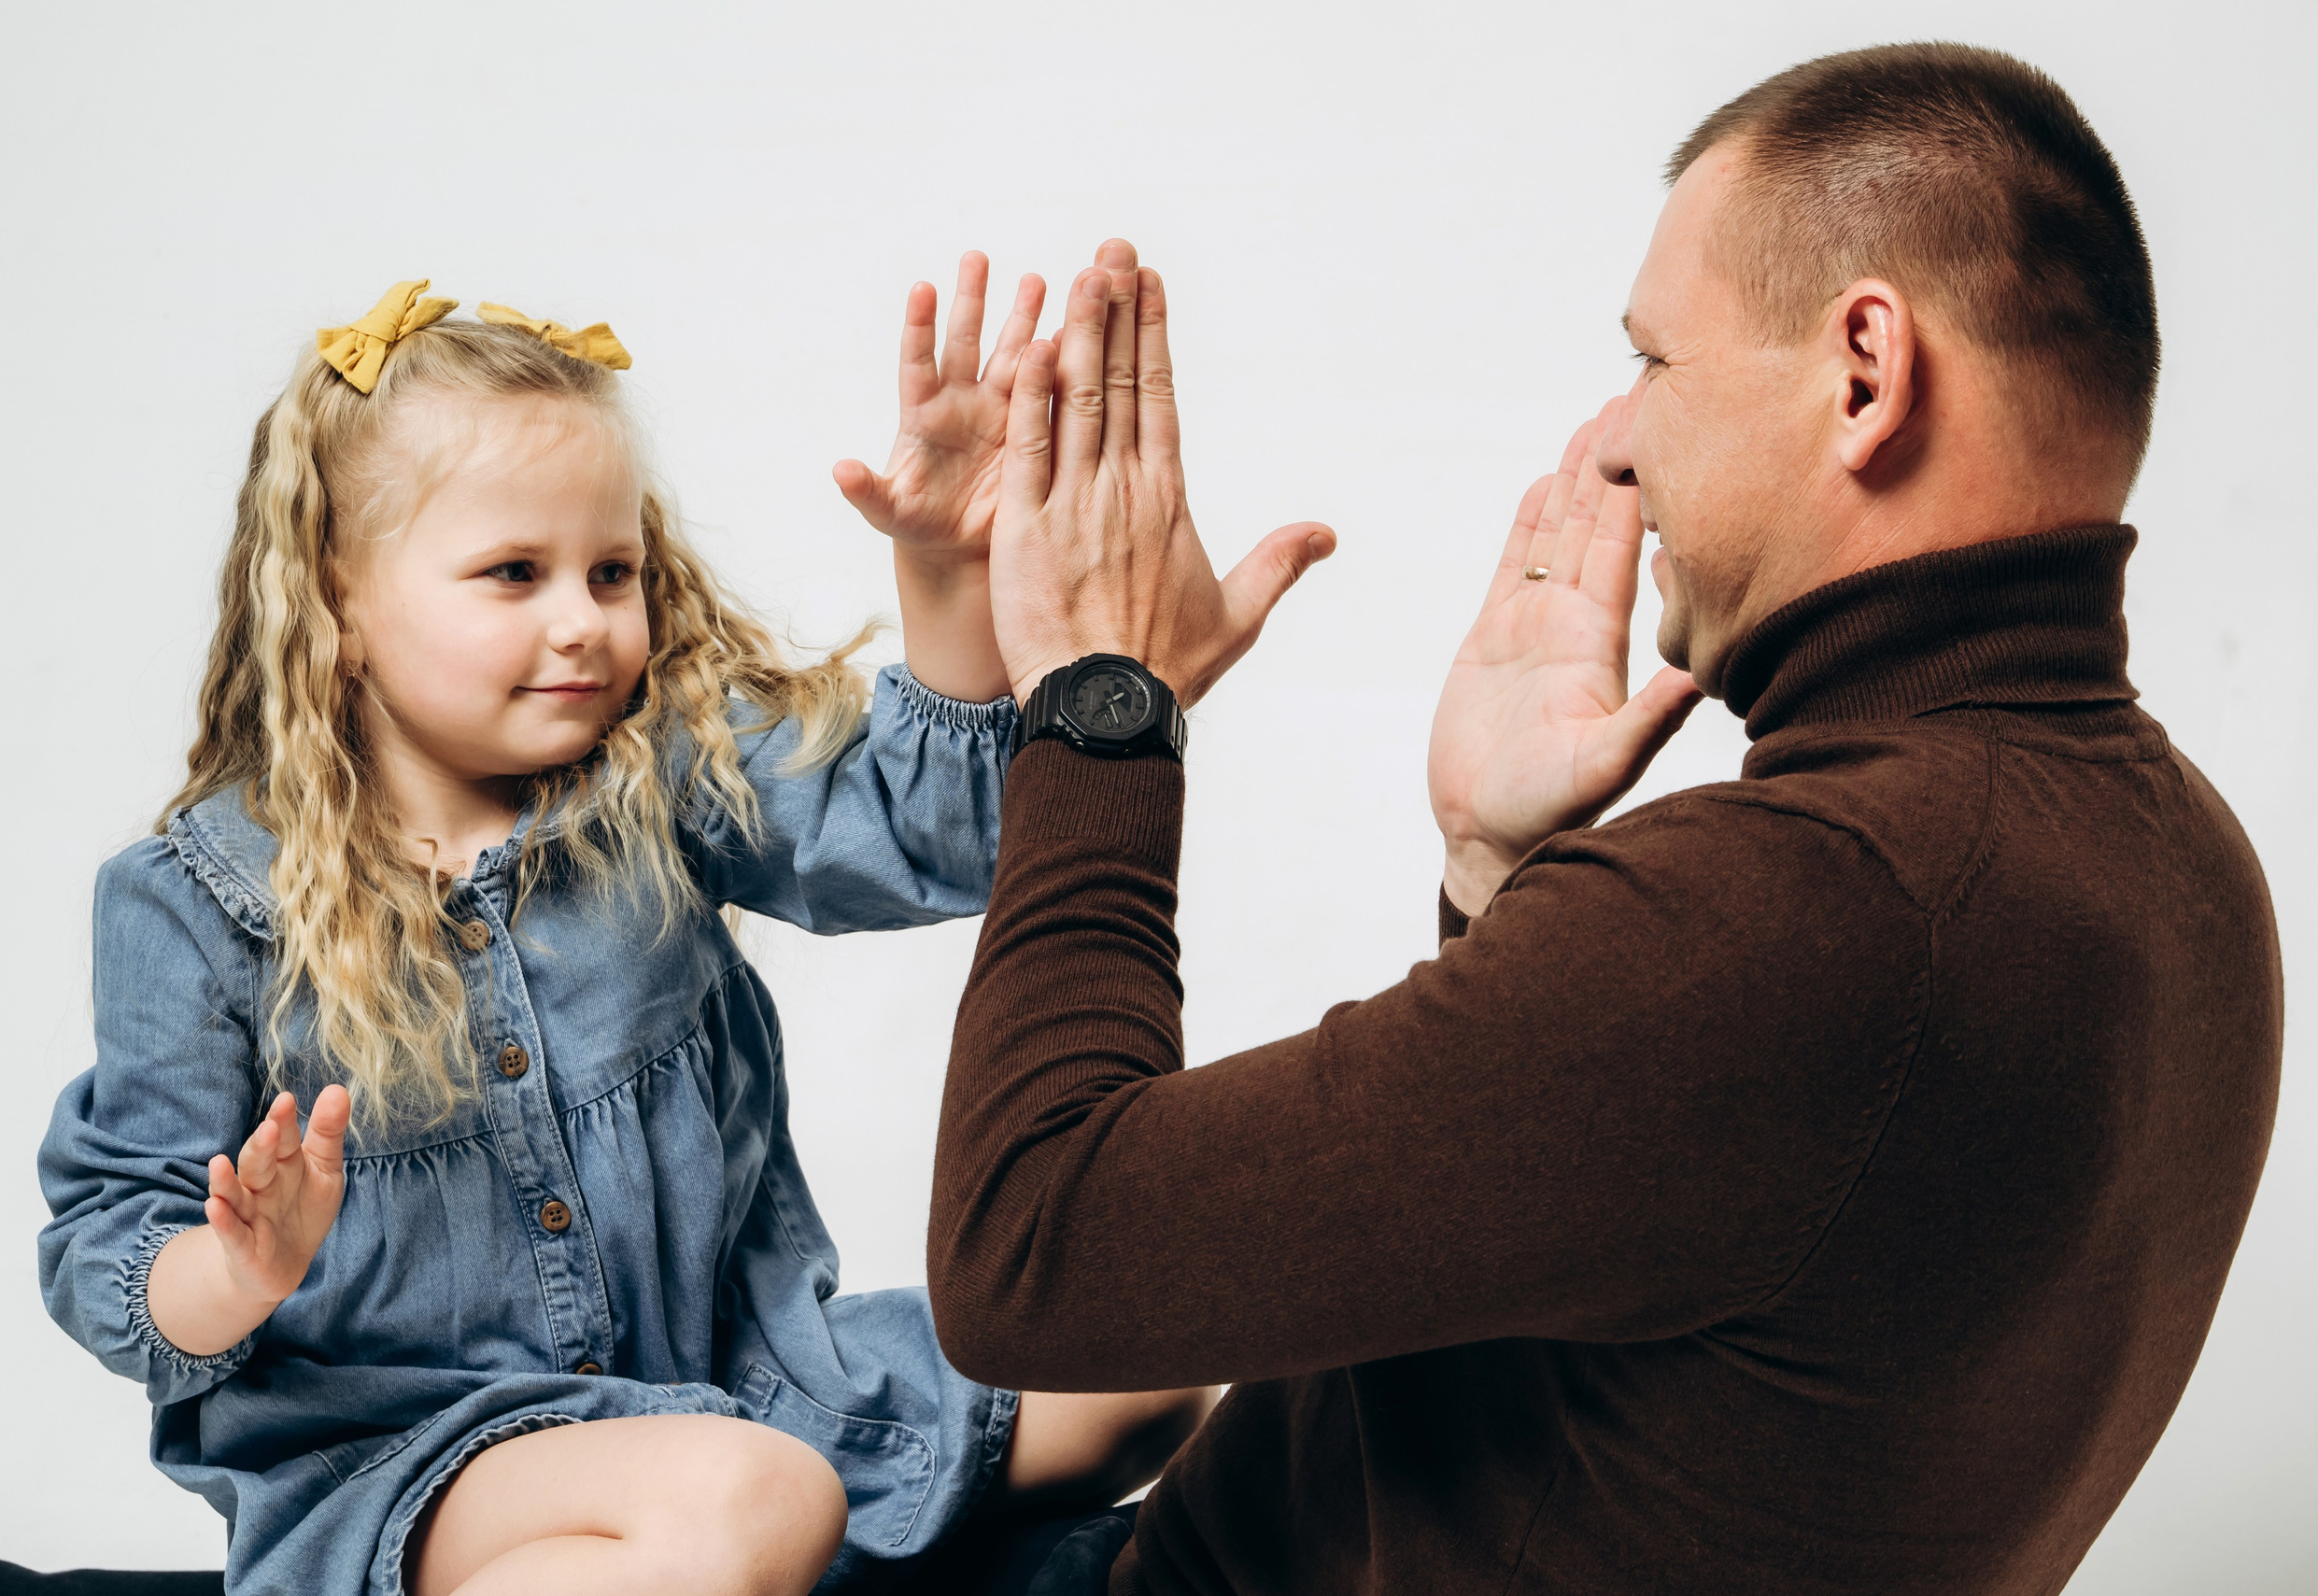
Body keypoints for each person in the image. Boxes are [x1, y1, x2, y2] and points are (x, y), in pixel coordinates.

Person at [926, 43, 2283, 1596]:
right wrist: (1503, 875)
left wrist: (1101, 702)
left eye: (1654, 361)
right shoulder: (2195, 871)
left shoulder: (1809, 909)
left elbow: (1031, 1252)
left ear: (1863, 371)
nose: (1617, 437)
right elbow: (1669, 1288)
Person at [35, 273, 1209, 1596]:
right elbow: (107, 1257)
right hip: (417, 1463)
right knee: (757, 1496)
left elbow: (936, 838)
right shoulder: (194, 898)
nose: (584, 621)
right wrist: (238, 1267)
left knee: (1151, 1348)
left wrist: (943, 579)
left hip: (743, 1382)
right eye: (513, 575)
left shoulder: (659, 768)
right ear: (338, 602)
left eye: (611, 571)